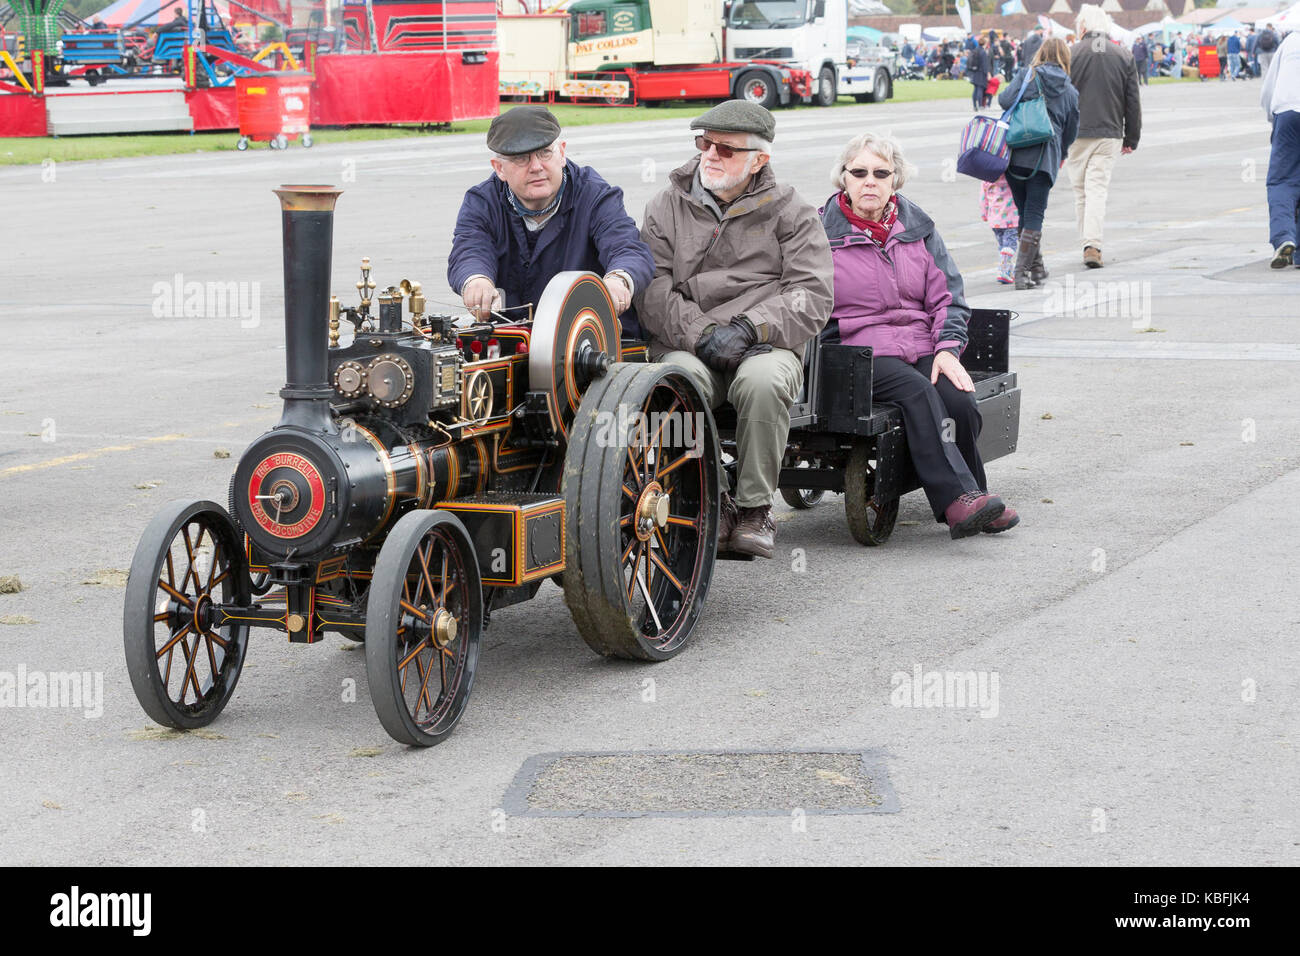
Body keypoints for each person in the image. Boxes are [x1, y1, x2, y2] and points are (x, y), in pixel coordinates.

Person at [637, 102, 833, 558]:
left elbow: (812, 295)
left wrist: (749, 327)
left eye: (726, 149)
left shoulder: (793, 211)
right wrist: (703, 333)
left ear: (758, 160)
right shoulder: (666, 205)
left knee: (763, 382)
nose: (710, 154)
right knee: (676, 382)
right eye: (704, 142)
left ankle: (753, 508)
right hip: (688, 339)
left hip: (763, 343)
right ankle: (714, 497)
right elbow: (653, 292)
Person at [820, 133, 1018, 538]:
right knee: (917, 392)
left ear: (896, 180)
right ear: (844, 179)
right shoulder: (819, 234)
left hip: (920, 343)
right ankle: (958, 500)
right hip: (857, 350)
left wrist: (947, 350)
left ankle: (974, 495)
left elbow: (949, 298)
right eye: (858, 173)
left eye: (880, 173)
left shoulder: (919, 227)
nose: (869, 181)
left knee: (959, 399)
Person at [448, 106, 654, 334]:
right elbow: (469, 250)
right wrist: (476, 281)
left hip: (590, 339)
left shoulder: (596, 196)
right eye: (521, 158)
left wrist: (618, 281)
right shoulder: (481, 202)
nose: (536, 167)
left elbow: (627, 248)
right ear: (499, 168)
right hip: (514, 339)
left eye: (545, 153)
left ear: (562, 153)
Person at [998, 37, 1080, 289]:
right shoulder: (1069, 90)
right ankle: (1022, 273)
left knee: (1025, 212)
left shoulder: (1027, 75)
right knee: (1034, 214)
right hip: (1045, 157)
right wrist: (1063, 154)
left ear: (1040, 53)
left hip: (1016, 155)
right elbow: (1071, 128)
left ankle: (1036, 267)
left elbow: (1004, 100)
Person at [1065, 5, 1140, 269]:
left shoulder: (1071, 53)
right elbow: (1132, 101)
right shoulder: (1123, 55)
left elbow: (1060, 98)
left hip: (1075, 133)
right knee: (1097, 188)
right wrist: (1132, 136)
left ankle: (1087, 242)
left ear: (1082, 27)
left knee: (1080, 191)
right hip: (1109, 132)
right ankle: (1092, 244)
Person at [1261, 31, 1300, 268]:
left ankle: (1284, 237)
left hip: (1287, 112)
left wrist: (1272, 120)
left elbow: (1268, 90)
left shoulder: (1291, 41)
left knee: (1282, 182)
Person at [981, 174, 1020, 284]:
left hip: (994, 220)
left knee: (1002, 246)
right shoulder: (1010, 177)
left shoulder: (986, 178)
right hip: (1011, 218)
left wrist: (984, 214)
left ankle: (1008, 270)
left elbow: (983, 198)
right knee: (1010, 245)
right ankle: (1003, 270)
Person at [967, 35, 992, 111]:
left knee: (975, 89)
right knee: (980, 89)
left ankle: (975, 105)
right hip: (981, 72)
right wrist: (987, 73)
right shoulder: (983, 52)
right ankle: (980, 105)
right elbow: (985, 64)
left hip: (974, 72)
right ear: (984, 44)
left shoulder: (974, 50)